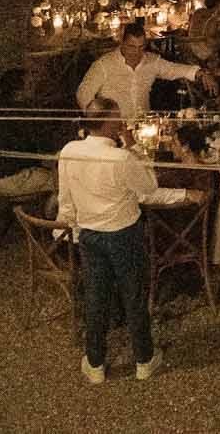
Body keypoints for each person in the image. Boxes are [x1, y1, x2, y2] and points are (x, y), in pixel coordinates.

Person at [57, 97, 196, 383]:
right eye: (117, 117)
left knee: (96, 296)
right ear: (108, 122)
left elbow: (66, 197)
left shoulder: (69, 151)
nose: (122, 122)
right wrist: (132, 146)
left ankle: (95, 363)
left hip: (90, 234)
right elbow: (148, 190)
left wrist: (67, 228)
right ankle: (144, 359)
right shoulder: (122, 158)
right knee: (133, 294)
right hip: (123, 234)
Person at [0, 68, 70, 249]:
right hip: (16, 177)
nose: (34, 85)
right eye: (30, 83)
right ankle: (52, 225)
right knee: (66, 180)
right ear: (18, 92)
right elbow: (47, 147)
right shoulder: (23, 113)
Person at [77, 24, 214, 123]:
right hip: (114, 127)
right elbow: (83, 94)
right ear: (122, 43)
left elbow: (175, 69)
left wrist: (201, 73)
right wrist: (99, 124)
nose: (137, 52)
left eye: (141, 47)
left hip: (144, 125)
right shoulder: (104, 65)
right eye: (131, 47)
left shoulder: (151, 61)